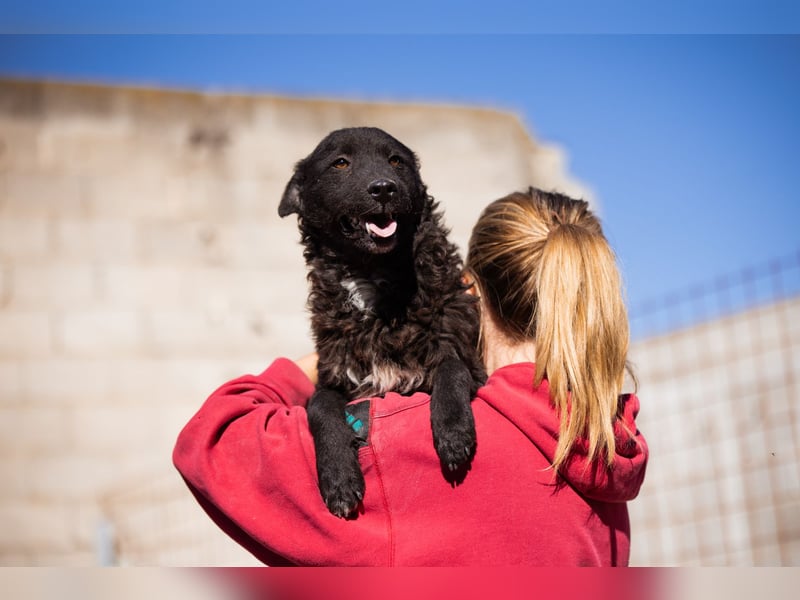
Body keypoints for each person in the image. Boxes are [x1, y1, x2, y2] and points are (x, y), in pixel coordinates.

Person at [173, 187, 648, 566]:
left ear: (470, 290)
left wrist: (342, 351)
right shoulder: (606, 446)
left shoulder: (409, 440)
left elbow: (211, 439)